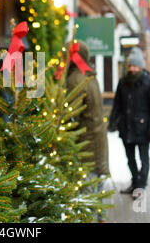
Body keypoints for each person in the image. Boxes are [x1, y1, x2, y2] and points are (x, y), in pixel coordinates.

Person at [65, 41, 110, 222]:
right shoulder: (90, 76)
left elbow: (71, 115)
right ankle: (101, 218)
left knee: (87, 193)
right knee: (97, 189)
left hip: (84, 145)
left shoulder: (74, 80)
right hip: (98, 142)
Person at [108, 47, 150, 196]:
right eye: (130, 66)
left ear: (141, 66)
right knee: (130, 159)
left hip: (143, 128)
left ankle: (140, 186)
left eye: (135, 66)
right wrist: (112, 122)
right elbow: (117, 104)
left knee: (143, 158)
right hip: (126, 127)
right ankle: (135, 182)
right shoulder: (123, 82)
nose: (132, 69)